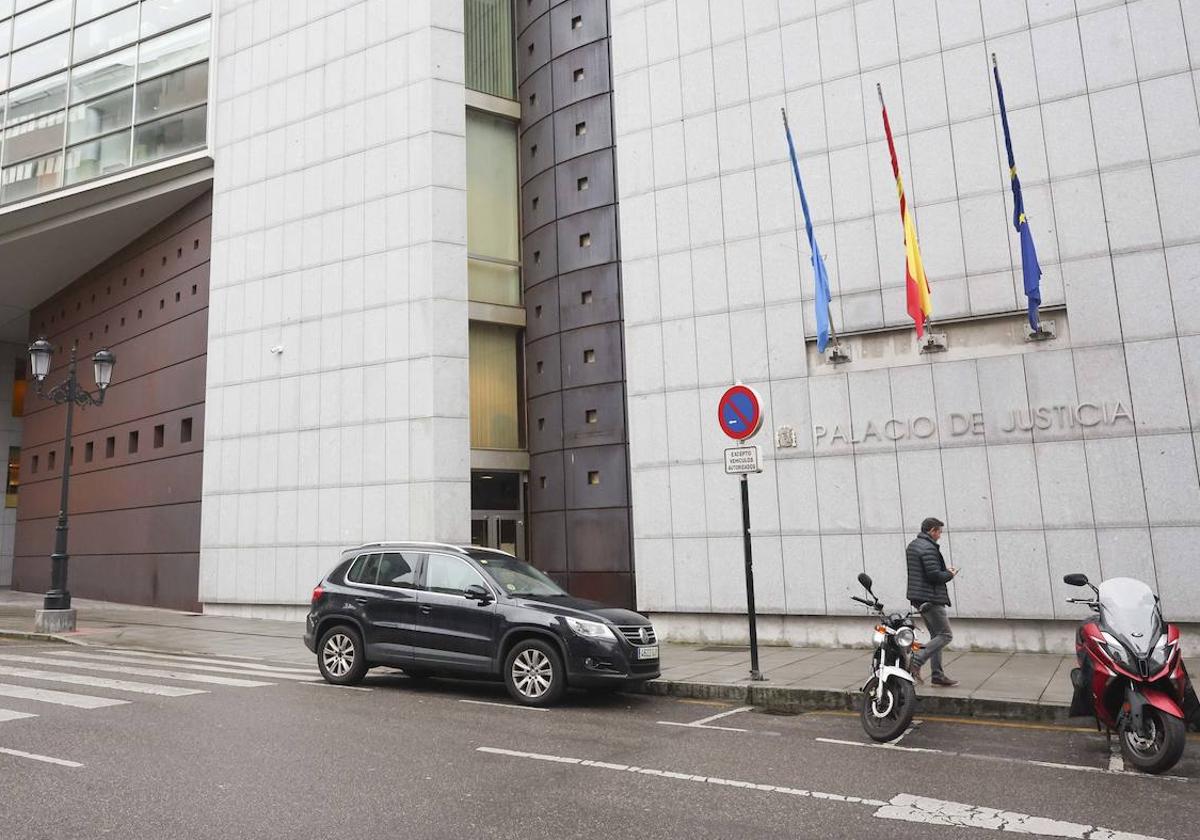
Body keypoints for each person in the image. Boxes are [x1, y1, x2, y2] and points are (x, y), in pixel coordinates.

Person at [905, 517, 958, 687]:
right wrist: (950, 574)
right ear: (932, 530)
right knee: (945, 635)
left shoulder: (914, 545)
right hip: (931, 597)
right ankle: (916, 661)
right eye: (939, 532)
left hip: (919, 597)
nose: (940, 536)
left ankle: (937, 675)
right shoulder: (928, 548)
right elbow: (934, 575)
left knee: (936, 636)